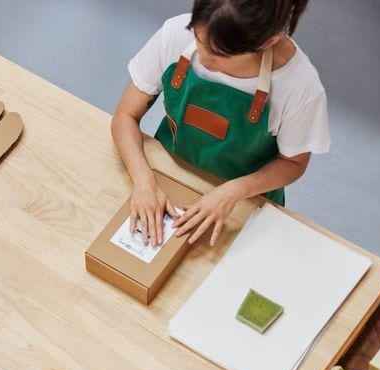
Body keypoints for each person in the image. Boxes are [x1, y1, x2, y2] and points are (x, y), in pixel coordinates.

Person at [111, 0, 329, 247]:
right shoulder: (175, 34)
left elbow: (293, 163)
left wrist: (232, 192)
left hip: (245, 200)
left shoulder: (299, 87)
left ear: (267, 42)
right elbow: (125, 117)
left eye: (219, 55)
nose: (203, 60)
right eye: (199, 40)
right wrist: (143, 179)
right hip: (168, 172)